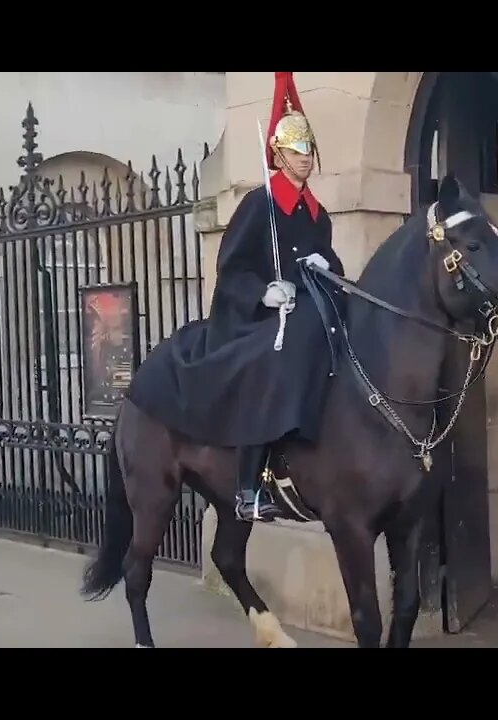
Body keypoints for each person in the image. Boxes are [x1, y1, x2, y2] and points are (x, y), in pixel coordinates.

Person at [125, 71, 346, 522]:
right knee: (270, 362)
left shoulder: (316, 214)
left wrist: (329, 270)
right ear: (279, 153)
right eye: (296, 151)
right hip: (263, 320)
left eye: (309, 150)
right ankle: (249, 484)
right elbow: (231, 268)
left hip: (311, 313)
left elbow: (332, 265)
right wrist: (265, 291)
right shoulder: (258, 205)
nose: (305, 159)